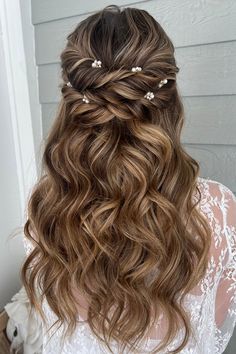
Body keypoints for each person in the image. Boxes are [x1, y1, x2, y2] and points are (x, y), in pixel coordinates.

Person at [21, 5, 236, 354]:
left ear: (71, 104)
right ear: (169, 100)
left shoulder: (45, 211)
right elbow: (214, 330)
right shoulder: (220, 211)